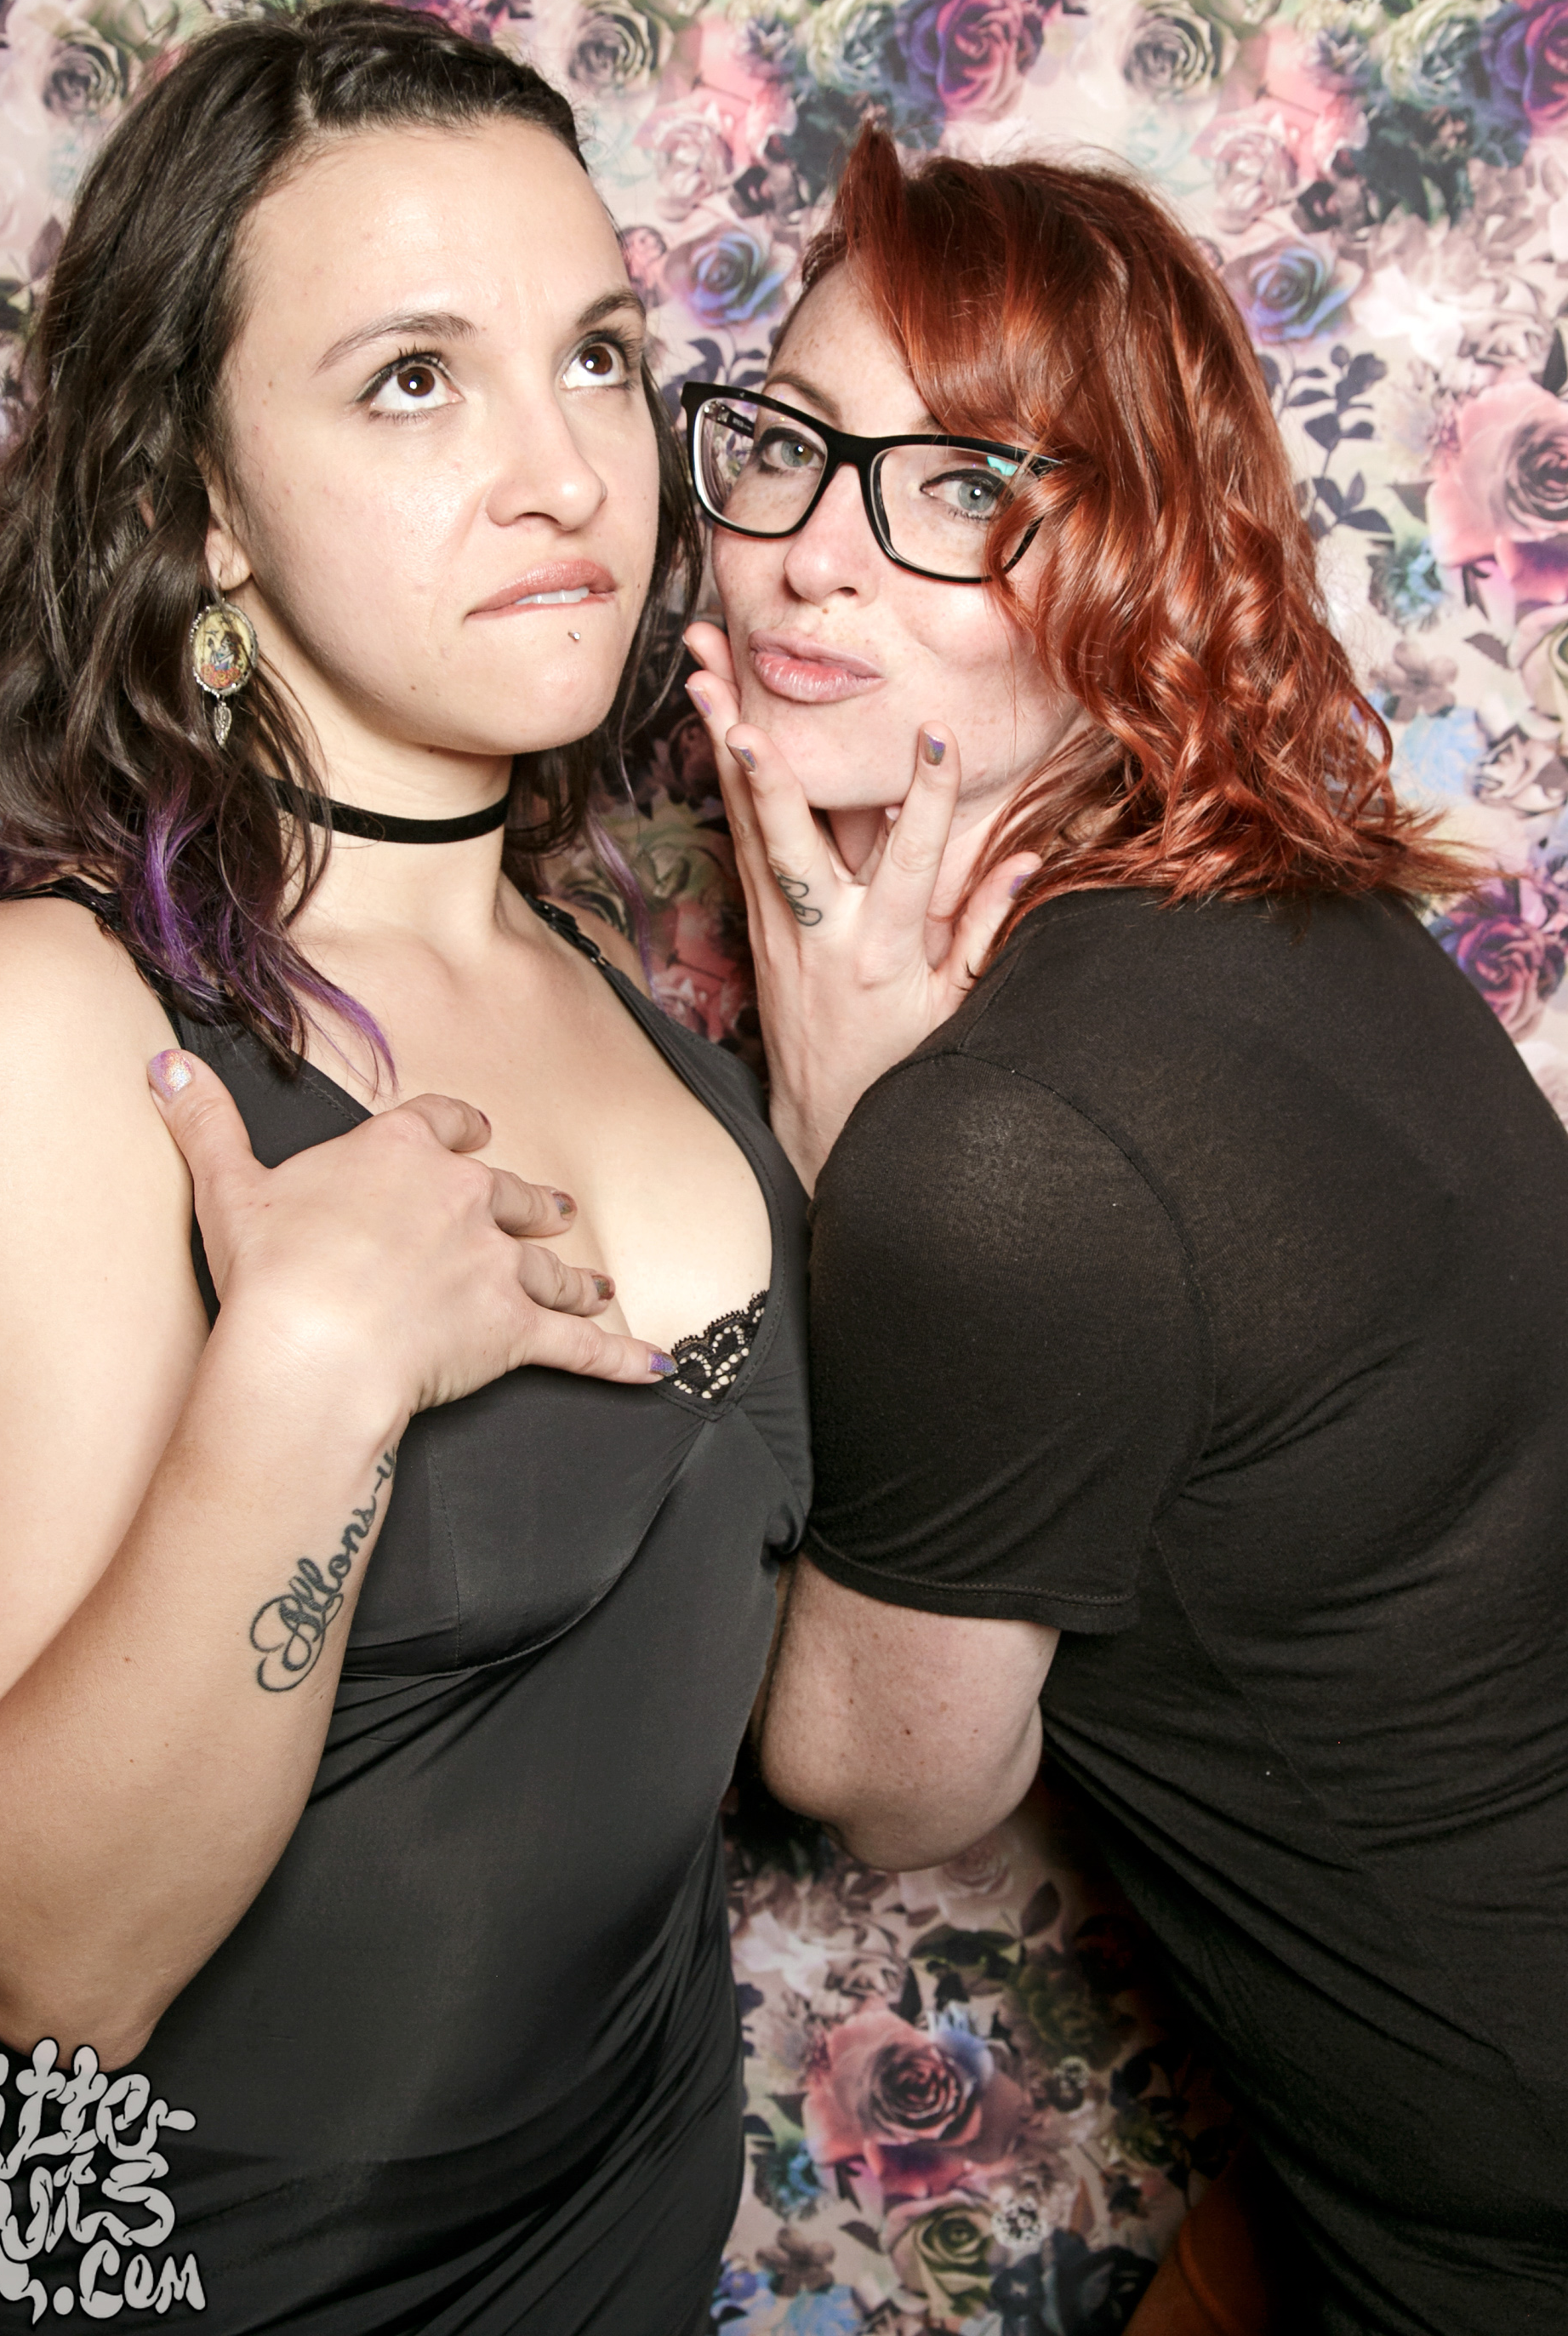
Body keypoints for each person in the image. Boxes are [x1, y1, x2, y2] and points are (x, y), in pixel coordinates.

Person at [0, 5, 810, 2336]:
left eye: (597, 359)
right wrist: (313, 1372)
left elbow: (810, 1742)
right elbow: (56, 1967)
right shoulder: (38, 1027)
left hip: (621, 2263)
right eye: (413, 380)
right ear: (196, 504)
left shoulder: (644, 1014)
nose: (567, 474)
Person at [682, 127, 1568, 2336]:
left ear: (1144, 563)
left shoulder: (1005, 1153)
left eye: (961, 488)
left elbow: (874, 1783)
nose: (807, 560)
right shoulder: (1283, 894)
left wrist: (849, 1161)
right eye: (784, 445)